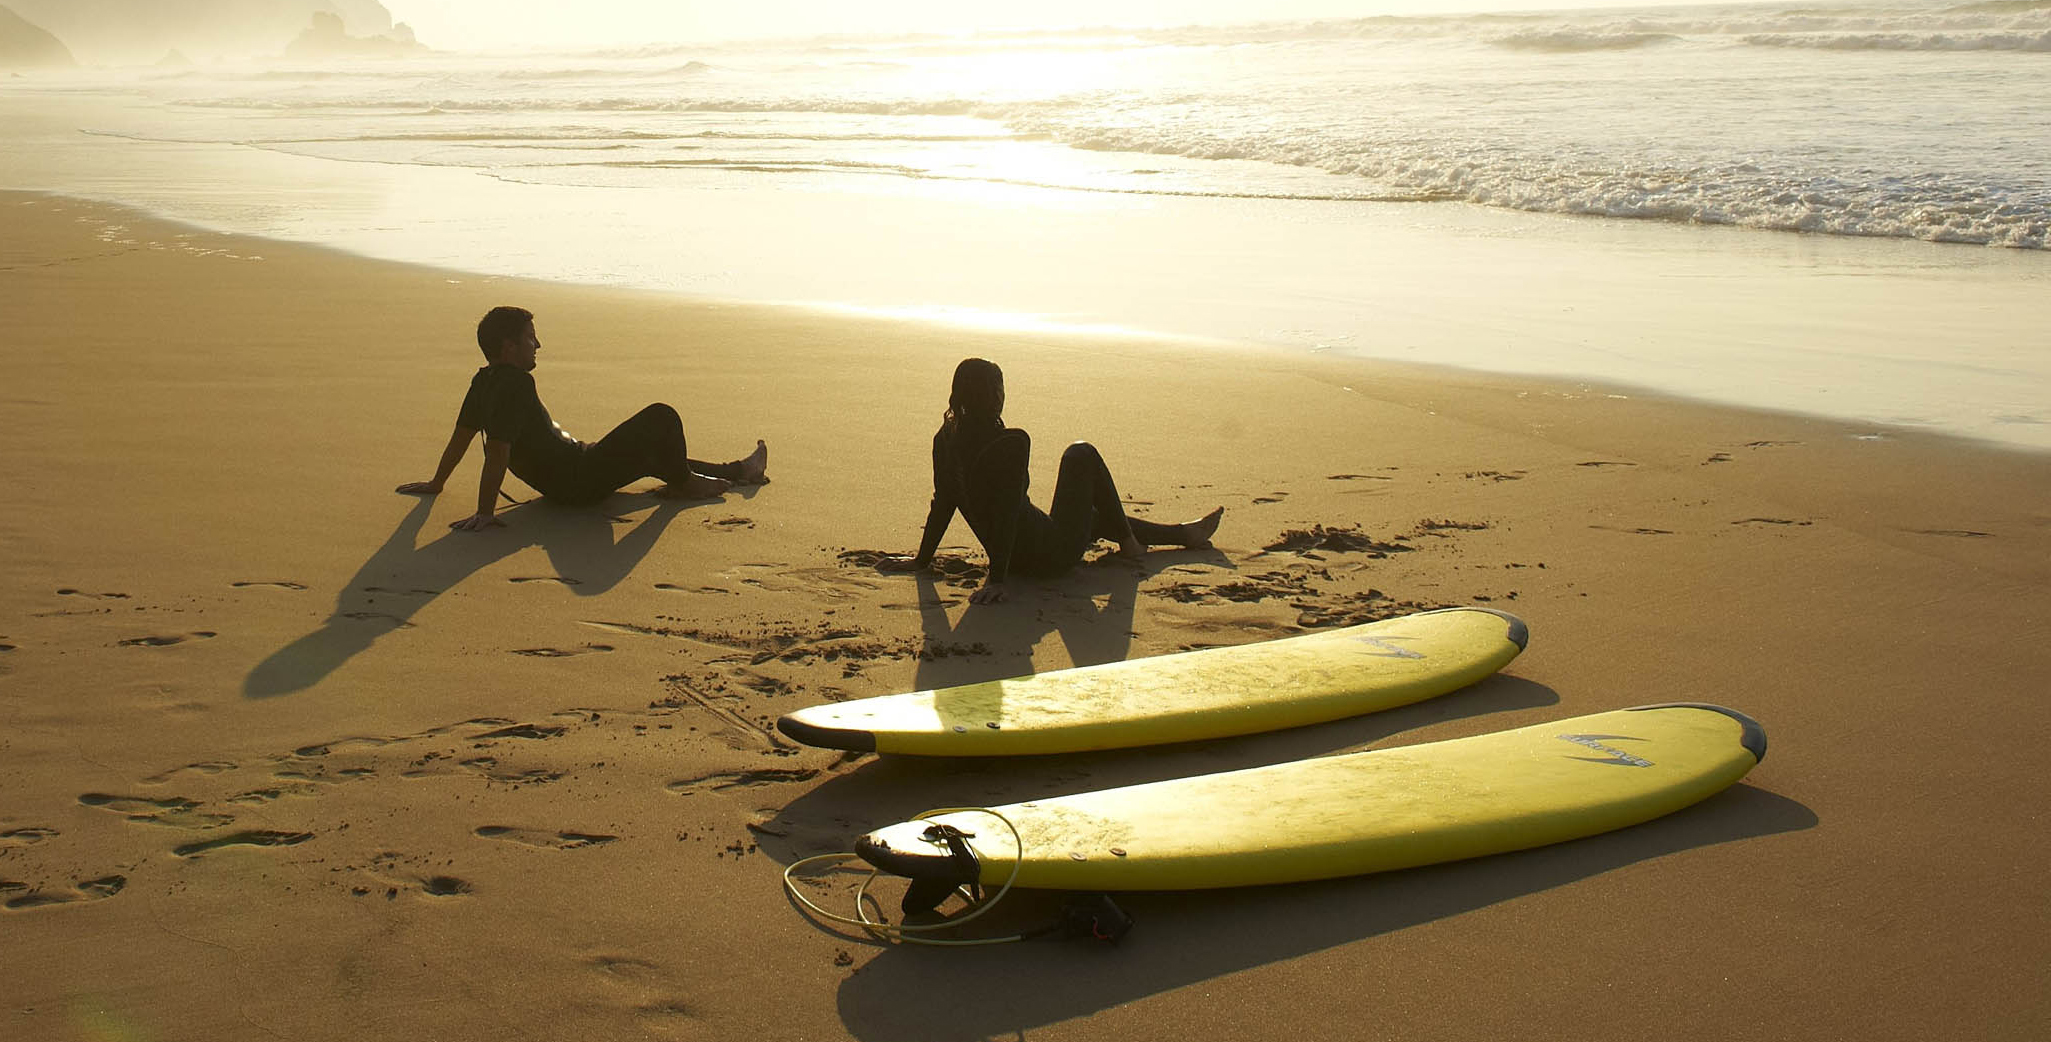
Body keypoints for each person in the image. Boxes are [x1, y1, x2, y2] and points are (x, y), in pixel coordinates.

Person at [878, 357, 1222, 604]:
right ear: (991, 395)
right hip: (1051, 555)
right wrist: (996, 580)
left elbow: (944, 503)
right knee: (1081, 453)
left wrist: (921, 561)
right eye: (998, 388)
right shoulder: (1012, 442)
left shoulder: (945, 439)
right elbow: (1007, 511)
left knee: (1094, 518)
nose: (1002, 395)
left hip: (1016, 557)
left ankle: (1182, 533)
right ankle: (1132, 544)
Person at [396, 306, 767, 529]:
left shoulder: (484, 381)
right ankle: (686, 483)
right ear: (509, 347)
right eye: (530, 338)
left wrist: (437, 482)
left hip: (572, 477)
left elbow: (461, 438)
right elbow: (497, 450)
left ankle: (738, 471)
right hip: (580, 478)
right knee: (662, 416)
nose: (538, 345)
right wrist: (484, 513)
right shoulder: (516, 384)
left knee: (655, 455)